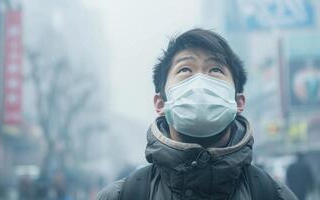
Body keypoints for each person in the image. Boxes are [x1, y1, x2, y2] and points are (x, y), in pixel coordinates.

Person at [97, 29, 297, 199]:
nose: (200, 80)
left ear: (238, 102)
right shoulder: (123, 195)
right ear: (160, 103)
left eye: (215, 70)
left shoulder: (273, 195)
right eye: (185, 69)